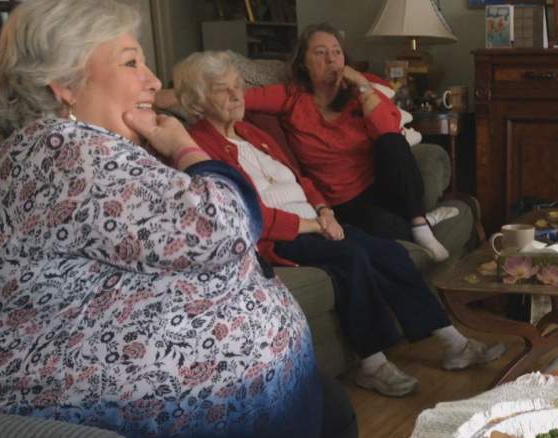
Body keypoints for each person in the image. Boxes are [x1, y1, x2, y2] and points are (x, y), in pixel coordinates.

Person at [0, 0, 356, 438]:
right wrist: (185, 145)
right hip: (65, 428)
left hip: (141, 401)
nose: (154, 80)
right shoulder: (63, 155)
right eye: (132, 62)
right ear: (64, 83)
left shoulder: (83, 153)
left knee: (332, 416)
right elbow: (230, 223)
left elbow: (161, 249)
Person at [172, 51, 506, 397]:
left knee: (388, 251)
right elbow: (244, 214)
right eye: (222, 90)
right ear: (197, 102)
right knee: (352, 258)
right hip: (280, 235)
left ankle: (454, 345)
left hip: (317, 219)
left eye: (238, 86)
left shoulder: (251, 132)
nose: (236, 95)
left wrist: (324, 210)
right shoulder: (198, 148)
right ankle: (373, 365)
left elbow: (301, 178)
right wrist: (313, 225)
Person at [162, 24, 457, 262]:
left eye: (337, 52)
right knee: (389, 232)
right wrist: (152, 98)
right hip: (346, 201)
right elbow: (229, 97)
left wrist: (363, 86)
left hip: (381, 183)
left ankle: (419, 221)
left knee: (393, 142)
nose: (332, 60)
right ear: (303, 63)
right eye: (320, 53)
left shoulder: (359, 91)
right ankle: (420, 220)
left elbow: (388, 127)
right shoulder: (290, 98)